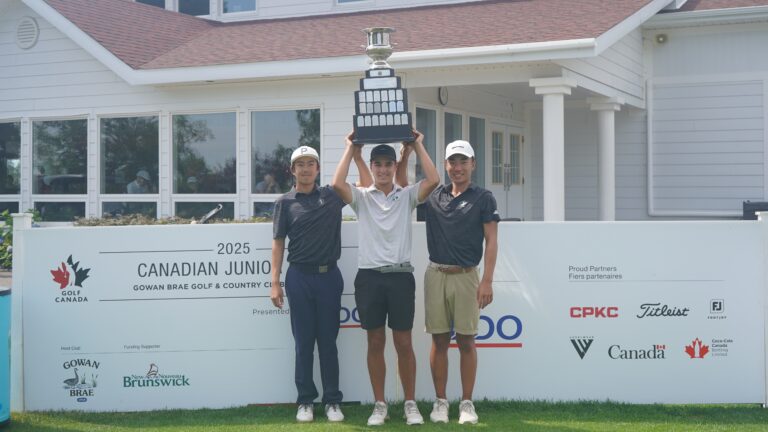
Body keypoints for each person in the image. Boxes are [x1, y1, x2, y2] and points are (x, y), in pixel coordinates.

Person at [332, 130, 439, 426]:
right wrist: (350, 148)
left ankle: (410, 404)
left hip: (401, 277)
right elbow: (336, 184)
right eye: (376, 164)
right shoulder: (362, 198)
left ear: (394, 167)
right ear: (373, 166)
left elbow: (433, 180)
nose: (382, 169)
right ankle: (380, 404)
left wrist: (417, 144)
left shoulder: (406, 196)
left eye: (387, 164)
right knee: (375, 341)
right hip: (369, 278)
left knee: (404, 343)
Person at [396, 139, 499, 425]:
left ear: (473, 164)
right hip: (436, 274)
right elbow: (403, 184)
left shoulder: (484, 197)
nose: (457, 167)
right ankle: (440, 402)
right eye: (452, 162)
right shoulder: (434, 195)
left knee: (466, 341)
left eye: (463, 161)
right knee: (439, 340)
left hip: (467, 276)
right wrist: (410, 150)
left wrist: (487, 280)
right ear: (445, 165)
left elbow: (491, 241)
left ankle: (467, 403)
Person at [270, 144, 372, 423]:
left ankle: (332, 401)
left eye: (310, 163)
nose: (305, 169)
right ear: (293, 170)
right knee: (303, 343)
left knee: (328, 342)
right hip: (298, 277)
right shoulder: (284, 203)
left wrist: (356, 153)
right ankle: (305, 401)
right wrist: (274, 282)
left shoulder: (331, 195)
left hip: (329, 277)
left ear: (317, 168)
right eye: (300, 164)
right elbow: (278, 243)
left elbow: (366, 185)